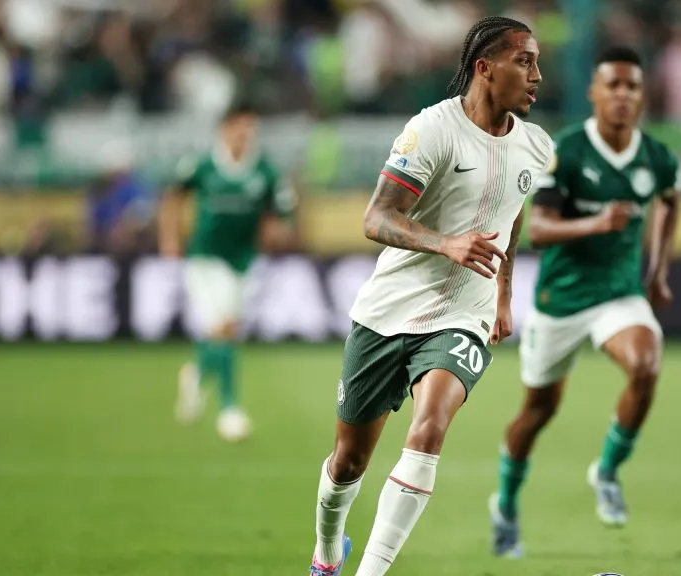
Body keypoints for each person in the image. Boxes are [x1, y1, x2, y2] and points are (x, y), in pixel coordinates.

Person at [308, 16, 553, 576]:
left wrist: (504, 296)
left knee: (430, 428)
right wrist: (446, 243)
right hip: (388, 312)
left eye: (538, 62)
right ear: (484, 68)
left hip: (464, 315)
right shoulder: (432, 130)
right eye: (525, 61)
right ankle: (327, 552)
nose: (537, 75)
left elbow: (511, 221)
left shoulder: (536, 147)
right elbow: (377, 218)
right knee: (348, 462)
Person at [489, 46, 681, 557]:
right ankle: (506, 503)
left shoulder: (657, 158)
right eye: (612, 85)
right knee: (537, 412)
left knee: (646, 363)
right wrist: (598, 222)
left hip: (618, 295)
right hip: (561, 300)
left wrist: (658, 271)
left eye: (632, 87)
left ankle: (608, 471)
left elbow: (670, 201)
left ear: (642, 97)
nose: (622, 95)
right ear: (594, 93)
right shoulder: (568, 152)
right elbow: (540, 230)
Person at [158, 101, 297, 442]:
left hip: (244, 260)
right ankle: (229, 408)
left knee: (226, 329)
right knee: (224, 331)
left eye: (250, 128)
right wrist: (170, 238)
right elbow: (172, 199)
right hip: (205, 258)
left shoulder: (264, 171)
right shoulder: (202, 165)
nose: (244, 135)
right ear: (225, 130)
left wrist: (276, 233)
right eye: (239, 127)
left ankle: (196, 374)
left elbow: (280, 213)